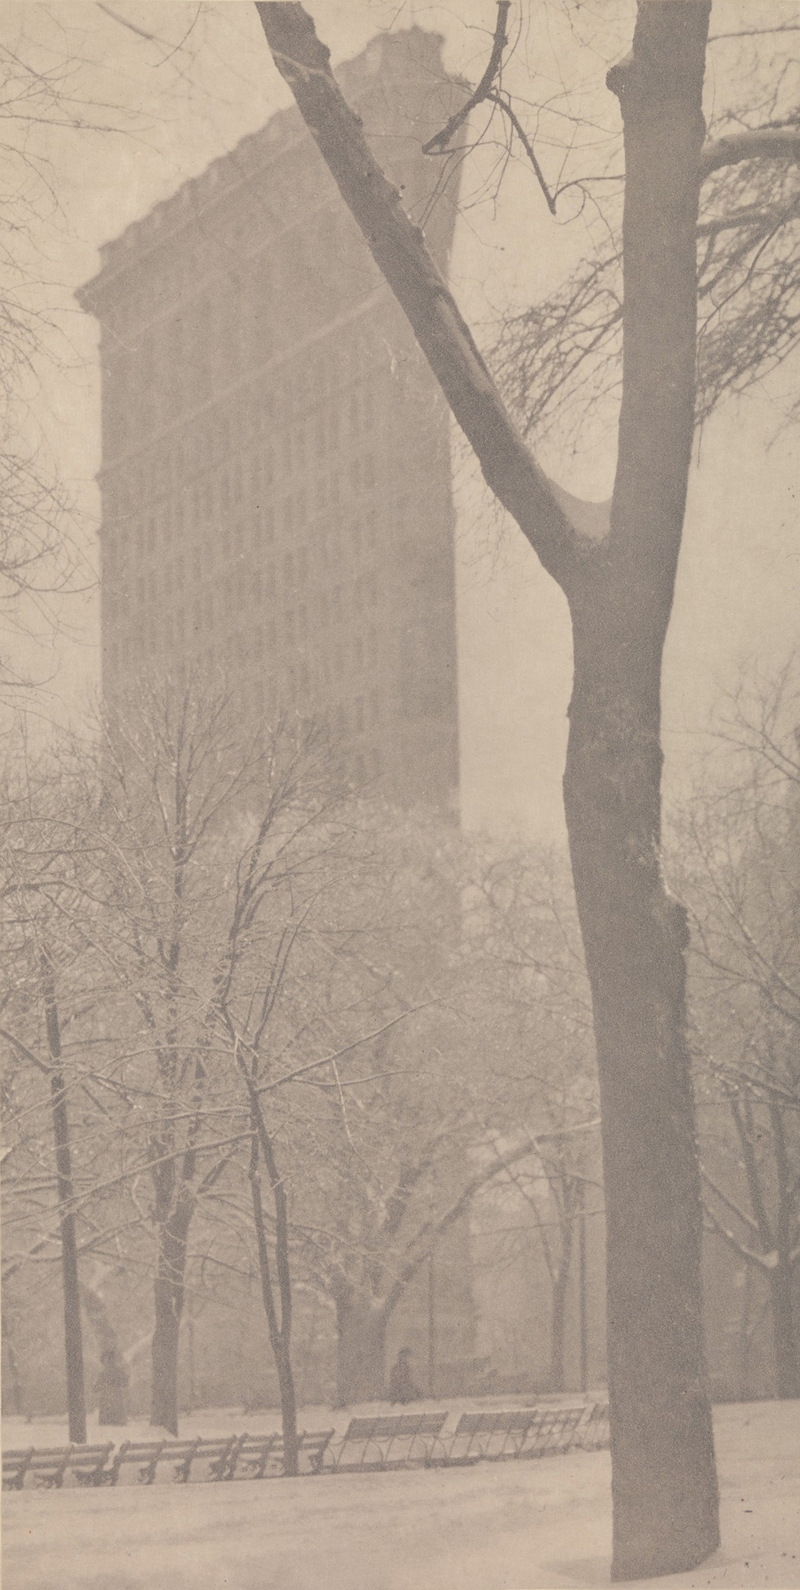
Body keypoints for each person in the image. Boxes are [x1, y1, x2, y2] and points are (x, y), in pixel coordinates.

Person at [95, 1346, 129, 1425]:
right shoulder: (119, 1371)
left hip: (106, 1397)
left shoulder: (104, 1372)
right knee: (117, 1417)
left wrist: (99, 1387)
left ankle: (108, 1421)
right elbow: (125, 1383)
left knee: (106, 1419)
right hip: (116, 1396)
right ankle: (116, 1421)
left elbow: (97, 1386)